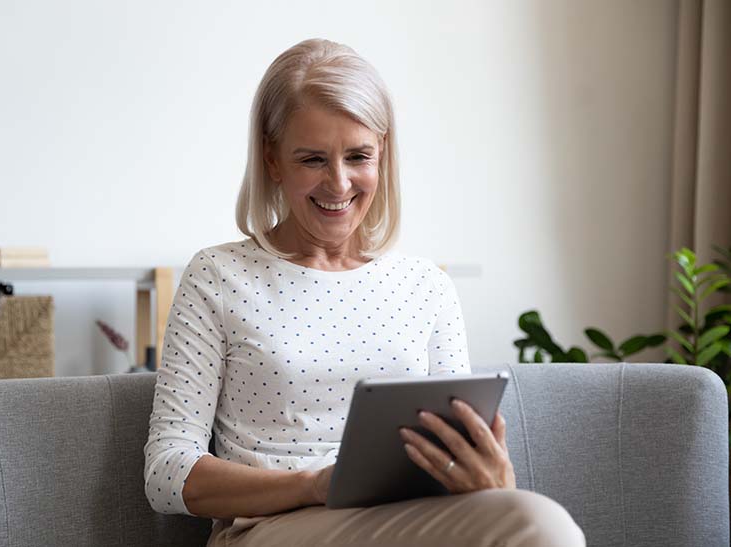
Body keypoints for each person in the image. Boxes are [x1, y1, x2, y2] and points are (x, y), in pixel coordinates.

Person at [144, 37, 586, 547]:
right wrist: (312, 485)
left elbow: (456, 445)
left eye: (358, 156)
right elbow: (167, 472)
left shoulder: (427, 287)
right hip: (273, 527)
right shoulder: (219, 275)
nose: (339, 183)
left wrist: (492, 480)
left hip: (411, 520)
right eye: (312, 159)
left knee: (541, 523)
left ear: (383, 155)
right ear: (272, 160)